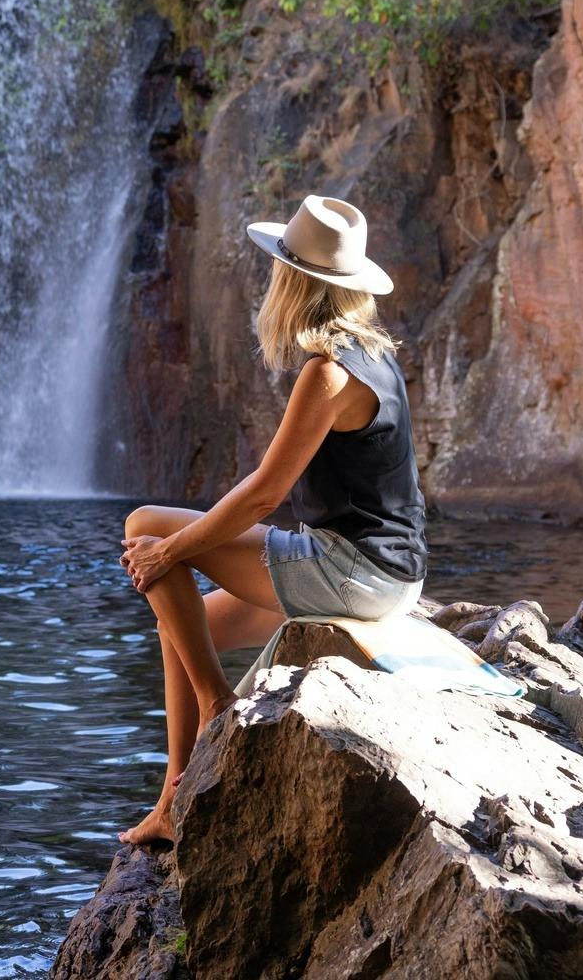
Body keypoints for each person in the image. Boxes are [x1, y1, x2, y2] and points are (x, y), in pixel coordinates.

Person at [116, 195, 427, 847]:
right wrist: (168, 549)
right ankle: (172, 798)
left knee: (153, 544)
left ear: (293, 282)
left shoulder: (329, 373)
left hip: (358, 573)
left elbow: (262, 496)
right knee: (182, 617)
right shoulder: (370, 353)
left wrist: (167, 549)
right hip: (380, 567)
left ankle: (214, 711)